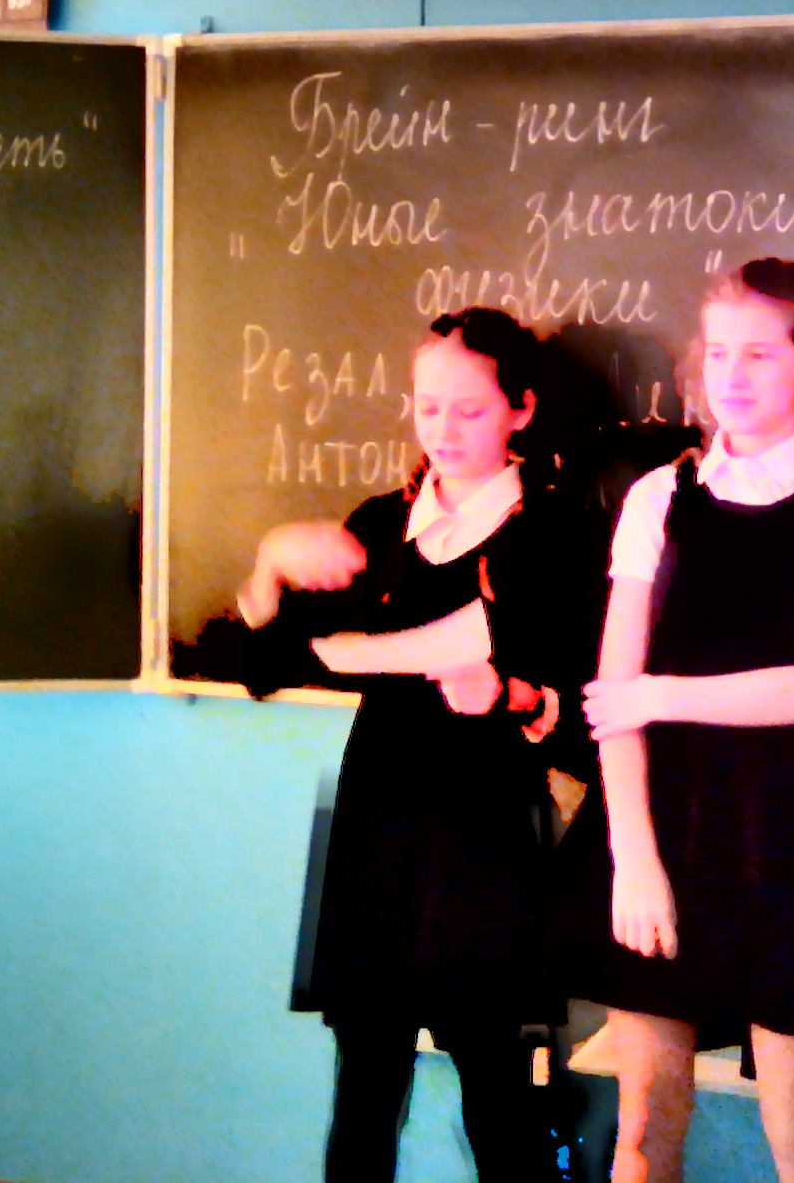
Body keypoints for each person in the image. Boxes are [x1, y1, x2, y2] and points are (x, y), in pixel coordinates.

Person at [223, 306, 605, 1183]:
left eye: (469, 410)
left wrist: (511, 694)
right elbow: (263, 667)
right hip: (376, 825)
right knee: (365, 1079)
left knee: (498, 1086)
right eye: (427, 407)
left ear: (521, 411)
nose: (443, 430)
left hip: (488, 835)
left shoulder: (552, 533)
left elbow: (574, 701)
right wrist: (271, 563)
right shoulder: (379, 525)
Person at [575, 259, 794, 1183]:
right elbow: (613, 701)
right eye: (719, 351)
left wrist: (661, 694)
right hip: (659, 824)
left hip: (787, 833)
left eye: (761, 353)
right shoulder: (658, 499)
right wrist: (633, 860)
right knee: (644, 1128)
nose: (731, 375)